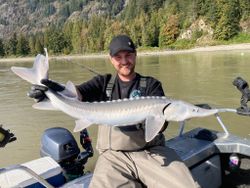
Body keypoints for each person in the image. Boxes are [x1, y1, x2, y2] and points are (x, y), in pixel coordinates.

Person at [28, 35, 199, 187]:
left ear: (135, 55)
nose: (124, 61)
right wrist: (49, 91)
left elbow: (161, 127)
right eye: (118, 57)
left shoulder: (151, 85)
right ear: (111, 59)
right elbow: (75, 95)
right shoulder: (103, 83)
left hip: (150, 153)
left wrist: (177, 115)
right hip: (113, 156)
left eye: (128, 55)